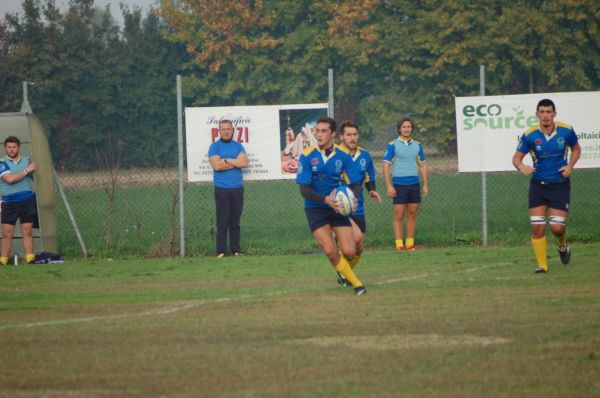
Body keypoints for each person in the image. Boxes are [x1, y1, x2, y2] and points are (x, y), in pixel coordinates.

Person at [296, 117, 367, 295]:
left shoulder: (343, 157)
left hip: (337, 207)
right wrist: (324, 199)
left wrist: (354, 198)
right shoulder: (306, 156)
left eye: (323, 131)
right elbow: (304, 190)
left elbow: (356, 182)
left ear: (333, 134)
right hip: (315, 208)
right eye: (317, 131)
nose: (319, 134)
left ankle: (344, 274)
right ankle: (358, 285)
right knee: (330, 251)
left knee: (350, 250)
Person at [512, 99, 580, 273]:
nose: (545, 115)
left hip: (560, 185)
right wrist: (521, 166)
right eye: (542, 112)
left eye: (549, 112)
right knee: (537, 226)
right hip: (538, 186)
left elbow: (576, 149)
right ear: (537, 115)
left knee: (557, 228)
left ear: (554, 114)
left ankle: (562, 244)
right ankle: (542, 266)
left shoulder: (566, 130)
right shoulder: (530, 135)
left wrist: (570, 166)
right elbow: (516, 158)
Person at [337, 121, 382, 284]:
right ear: (341, 137)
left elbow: (369, 177)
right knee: (354, 239)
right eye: (348, 134)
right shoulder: (334, 155)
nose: (352, 137)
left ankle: (343, 275)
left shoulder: (364, 155)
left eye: (354, 134)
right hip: (340, 206)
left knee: (359, 247)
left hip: (358, 205)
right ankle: (343, 271)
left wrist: (372, 190)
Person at [383, 118, 428, 252]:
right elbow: (386, 165)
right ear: (399, 129)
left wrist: (425, 184)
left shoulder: (418, 145)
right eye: (404, 127)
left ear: (412, 129)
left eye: (409, 127)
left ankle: (410, 244)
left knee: (412, 214)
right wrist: (389, 186)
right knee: (398, 215)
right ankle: (399, 245)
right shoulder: (392, 145)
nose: (406, 129)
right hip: (399, 184)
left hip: (414, 184)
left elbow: (423, 165)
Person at [208, 119, 249, 257]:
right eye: (223, 129)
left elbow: (244, 163)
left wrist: (225, 160)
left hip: (237, 188)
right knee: (222, 221)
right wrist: (234, 162)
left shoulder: (238, 146)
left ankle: (236, 250)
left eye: (229, 129)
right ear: (219, 131)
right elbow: (217, 166)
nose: (226, 131)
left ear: (233, 130)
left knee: (235, 222)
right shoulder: (215, 147)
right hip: (222, 189)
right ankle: (221, 251)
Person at [0, 136, 38, 265]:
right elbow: (9, 180)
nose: (11, 149)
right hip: (9, 203)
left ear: (18, 147)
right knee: (7, 233)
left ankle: (30, 259)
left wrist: (34, 169)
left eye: (14, 147)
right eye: (9, 147)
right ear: (5, 148)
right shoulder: (1, 162)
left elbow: (37, 173)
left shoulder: (27, 160)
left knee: (27, 231)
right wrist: (27, 170)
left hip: (27, 201)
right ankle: (3, 261)